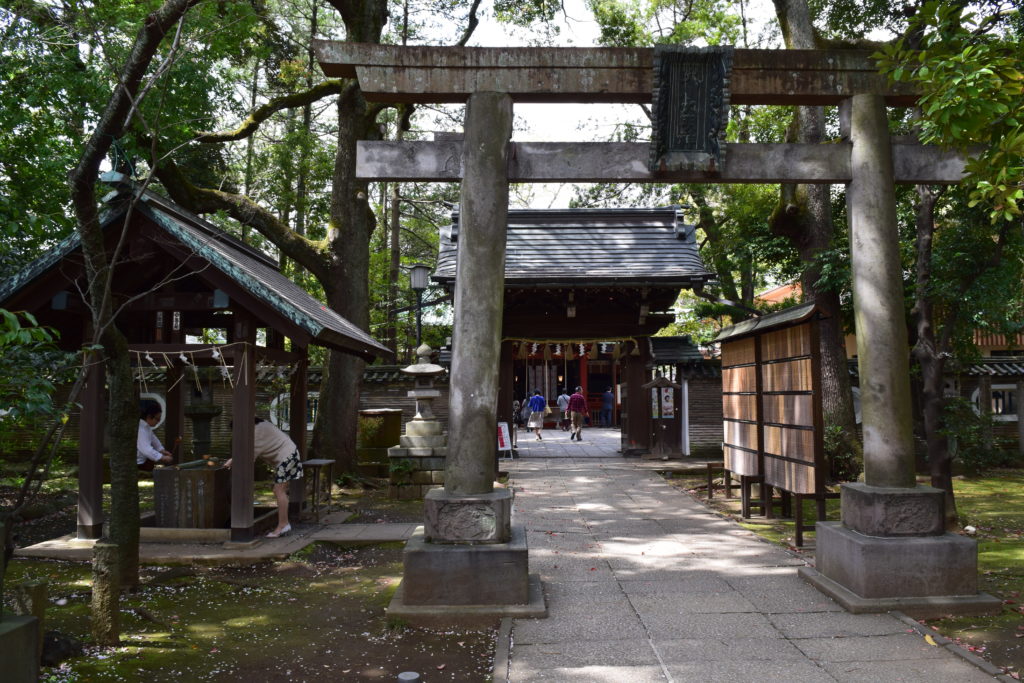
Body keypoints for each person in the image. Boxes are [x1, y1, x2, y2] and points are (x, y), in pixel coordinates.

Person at [225, 418, 302, 538]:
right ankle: (284, 524)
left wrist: (231, 461)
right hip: (290, 453)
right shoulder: (261, 424)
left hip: (287, 456)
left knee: (279, 491)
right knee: (279, 490)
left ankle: (283, 525)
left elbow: (247, 457)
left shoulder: (256, 434)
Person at [137, 401, 174, 471]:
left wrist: (162, 450)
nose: (159, 421)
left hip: (143, 462)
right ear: (149, 417)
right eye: (157, 419)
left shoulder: (146, 427)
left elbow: (154, 439)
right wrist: (162, 457)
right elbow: (147, 450)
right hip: (138, 464)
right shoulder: (140, 429)